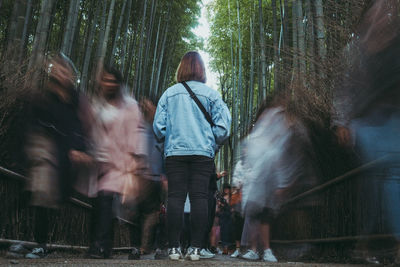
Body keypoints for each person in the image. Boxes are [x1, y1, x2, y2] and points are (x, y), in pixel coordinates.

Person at [153, 51, 231, 261]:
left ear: (181, 69)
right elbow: (224, 127)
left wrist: (170, 141)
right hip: (202, 154)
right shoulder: (211, 94)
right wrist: (209, 142)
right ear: (202, 70)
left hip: (175, 153)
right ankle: (196, 248)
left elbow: (158, 128)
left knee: (175, 198)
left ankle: (174, 249)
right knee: (199, 198)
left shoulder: (169, 94)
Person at [19, 53, 92, 259]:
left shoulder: (77, 100)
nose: (60, 73)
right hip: (45, 151)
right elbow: (33, 121)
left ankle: (37, 241)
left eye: (64, 70)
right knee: (40, 193)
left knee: (55, 197)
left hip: (67, 154)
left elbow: (82, 127)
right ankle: (39, 243)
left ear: (71, 74)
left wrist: (80, 149)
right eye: (57, 69)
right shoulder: (45, 96)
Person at [89, 64, 147, 259]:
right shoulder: (97, 103)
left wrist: (134, 159)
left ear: (119, 82)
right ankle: (102, 246)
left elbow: (135, 132)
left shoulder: (129, 105)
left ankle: (123, 246)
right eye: (105, 79)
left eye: (113, 80)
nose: (109, 84)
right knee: (101, 201)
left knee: (120, 202)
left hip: (123, 161)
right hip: (101, 159)